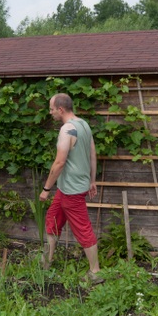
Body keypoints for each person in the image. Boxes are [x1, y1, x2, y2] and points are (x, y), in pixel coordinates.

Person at [39, 93, 103, 283]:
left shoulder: (67, 130)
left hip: (72, 190)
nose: (50, 113)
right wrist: (92, 180)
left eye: (51, 109)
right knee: (53, 217)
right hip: (70, 187)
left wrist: (46, 188)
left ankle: (95, 272)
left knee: (82, 228)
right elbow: (92, 153)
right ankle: (46, 261)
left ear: (60, 109)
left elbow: (59, 162)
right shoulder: (83, 124)